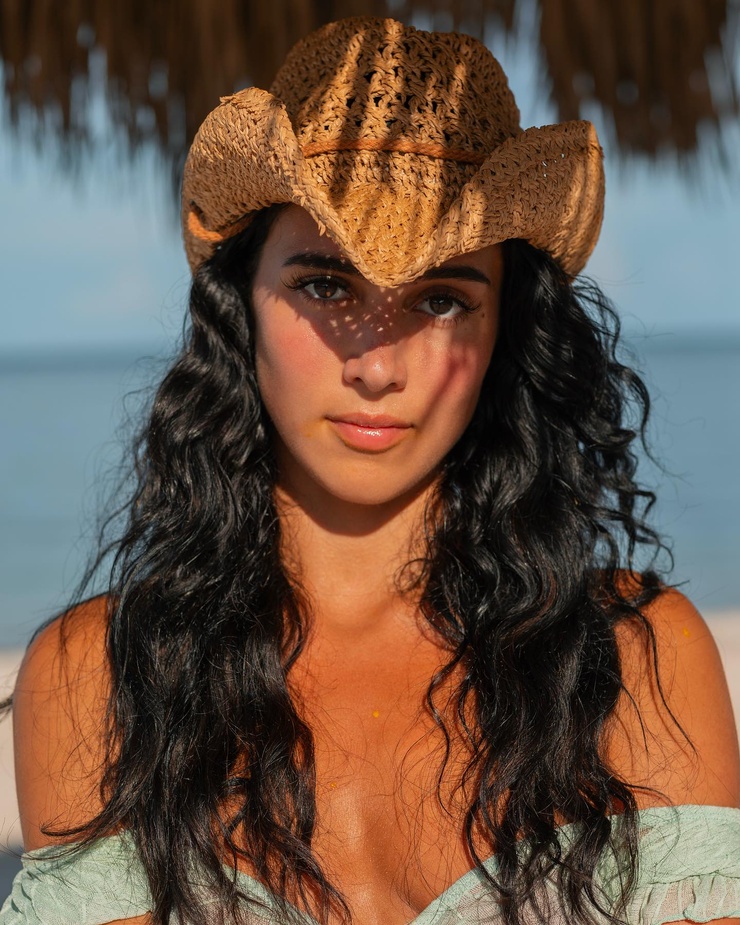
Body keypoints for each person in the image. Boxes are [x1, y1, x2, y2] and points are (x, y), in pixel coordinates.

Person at [1, 16, 739, 925]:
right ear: (240, 305)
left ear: (505, 332)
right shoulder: (99, 682)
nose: (378, 364)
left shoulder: (634, 663)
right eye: (325, 285)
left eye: (442, 299)